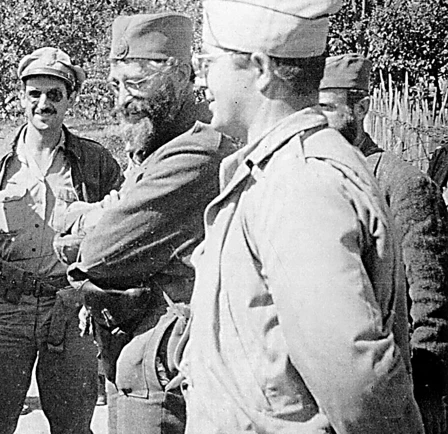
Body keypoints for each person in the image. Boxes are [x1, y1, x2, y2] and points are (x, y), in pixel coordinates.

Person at [178, 0, 426, 432]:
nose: (201, 80)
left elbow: (356, 381)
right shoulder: (277, 170)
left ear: (260, 69)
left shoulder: (298, 184)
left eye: (208, 63)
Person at [59, 12, 235, 434]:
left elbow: (98, 253)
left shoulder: (197, 153)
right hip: (132, 352)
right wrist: (105, 219)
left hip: (163, 361)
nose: (123, 100)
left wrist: (91, 224)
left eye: (136, 84)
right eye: (116, 86)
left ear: (180, 76)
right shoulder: (155, 148)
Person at [0, 46, 123, 434]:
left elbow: (120, 222)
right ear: (21, 97)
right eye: (34, 93)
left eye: (54, 94)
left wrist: (92, 283)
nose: (43, 103)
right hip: (6, 307)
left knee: (73, 424)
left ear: (70, 100)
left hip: (68, 308)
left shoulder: (94, 160)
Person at [319, 53, 448, 434]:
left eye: (327, 109)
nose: (317, 121)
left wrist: (423, 396)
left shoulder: (401, 184)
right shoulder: (320, 178)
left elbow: (432, 303)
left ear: (361, 108)